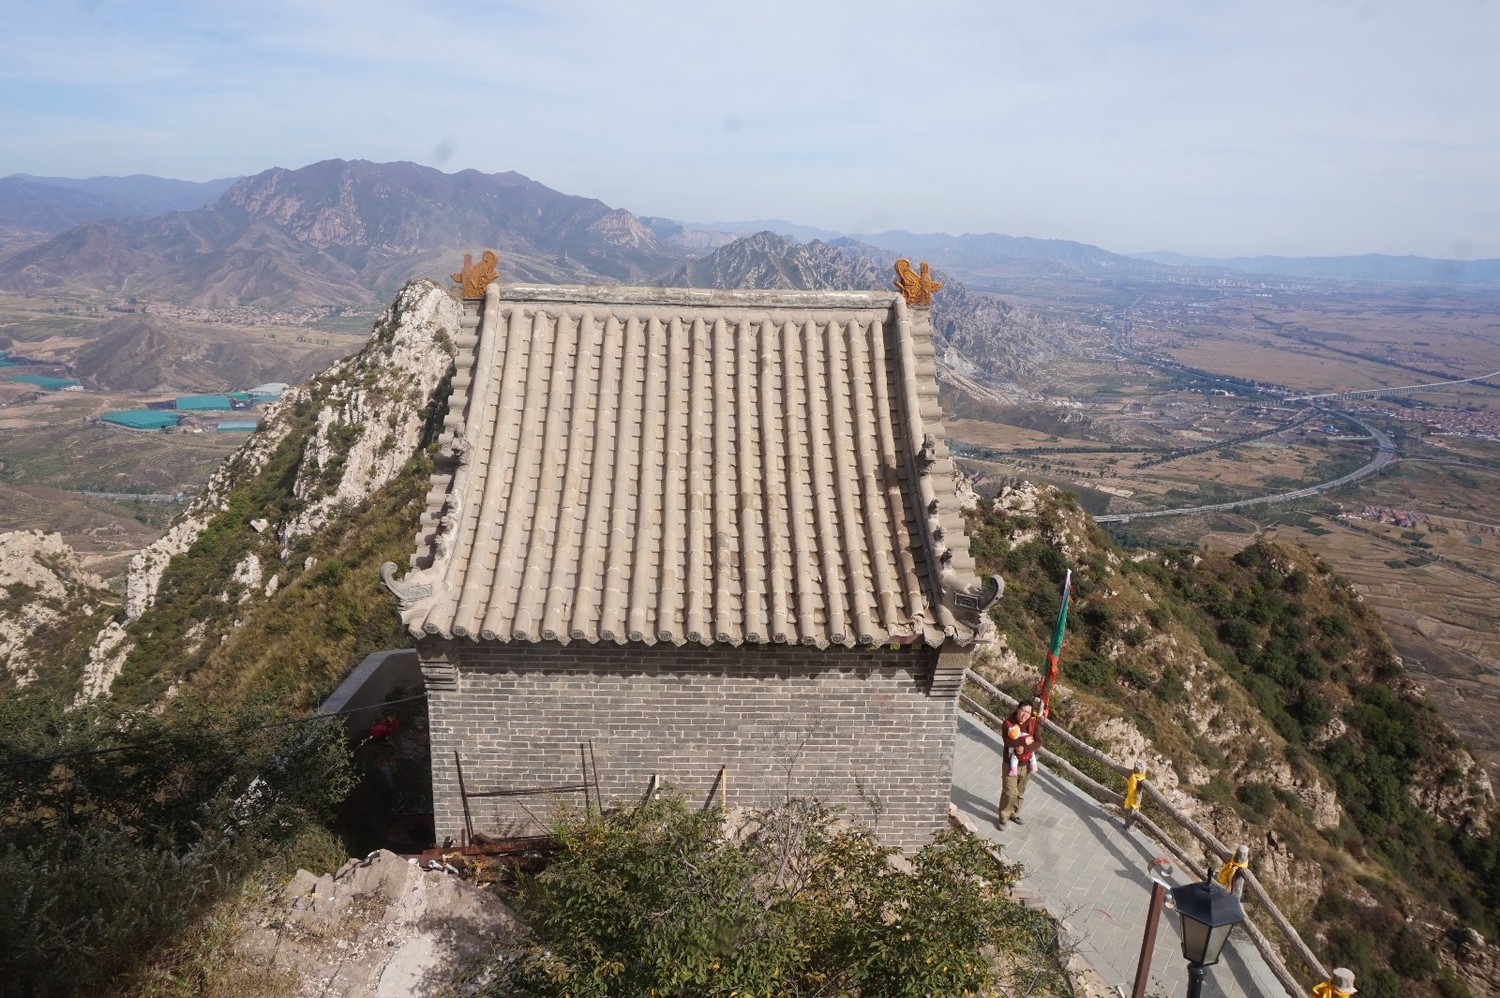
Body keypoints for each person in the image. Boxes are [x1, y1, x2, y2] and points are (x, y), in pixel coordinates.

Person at [997, 697, 1044, 826]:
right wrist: (1024, 742)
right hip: (1010, 763)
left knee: (1020, 793)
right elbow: (1008, 742)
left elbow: (1038, 742)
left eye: (1028, 713)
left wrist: (1024, 748)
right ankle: (1003, 816)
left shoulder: (1032, 724)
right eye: (1023, 711)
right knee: (1010, 792)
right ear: (1017, 710)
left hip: (1026, 764)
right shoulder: (1008, 723)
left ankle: (1014, 813)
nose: (1025, 715)